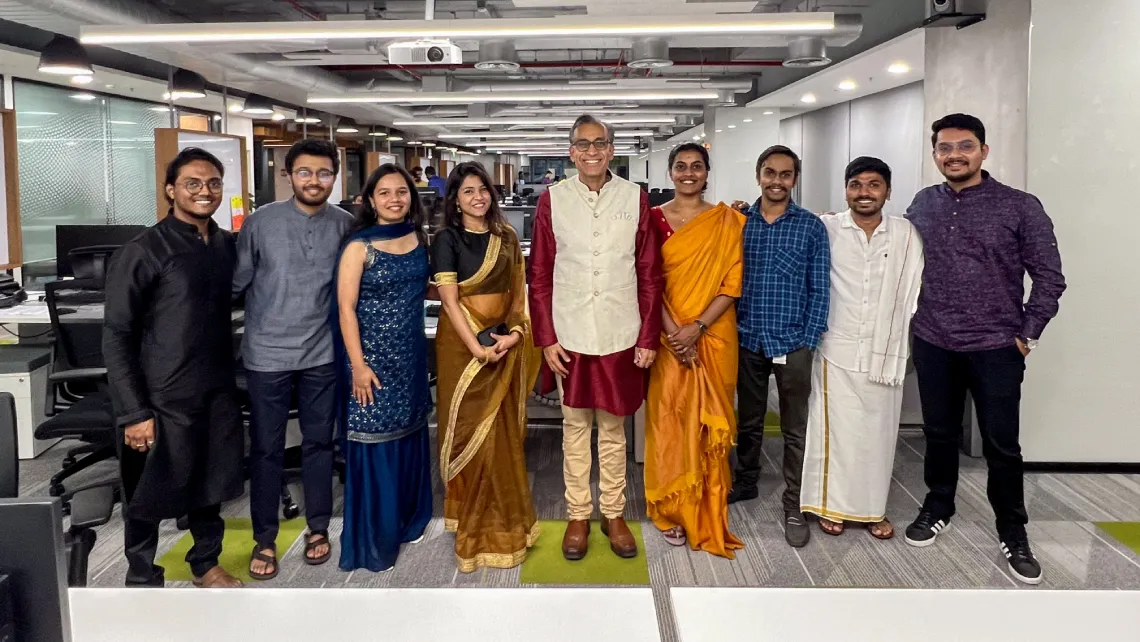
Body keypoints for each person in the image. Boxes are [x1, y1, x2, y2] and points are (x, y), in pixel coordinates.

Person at [904, 114, 1065, 585]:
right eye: (945, 148)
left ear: (983, 152)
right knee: (938, 432)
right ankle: (938, 505)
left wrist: (1027, 334)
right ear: (935, 153)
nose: (954, 155)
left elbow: (1050, 277)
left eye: (965, 146)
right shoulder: (923, 203)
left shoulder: (1019, 207)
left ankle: (1012, 529)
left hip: (997, 345)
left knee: (1001, 444)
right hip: (934, 339)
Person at [103, 148, 243, 588]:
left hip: (216, 385)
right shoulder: (144, 250)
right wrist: (134, 411)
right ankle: (142, 574)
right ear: (170, 190)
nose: (205, 191)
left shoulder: (222, 244)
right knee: (146, 491)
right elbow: (117, 334)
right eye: (193, 184)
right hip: (160, 394)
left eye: (214, 183)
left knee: (210, 481)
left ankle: (205, 561)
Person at [529, 114, 663, 561]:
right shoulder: (552, 200)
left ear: (612, 149)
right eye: (583, 144)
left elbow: (648, 272)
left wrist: (647, 337)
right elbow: (540, 273)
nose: (591, 151)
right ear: (571, 151)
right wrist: (546, 337)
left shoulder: (635, 197)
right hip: (569, 332)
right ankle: (577, 514)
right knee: (573, 427)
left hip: (620, 329)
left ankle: (614, 511)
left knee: (613, 427)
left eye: (600, 143)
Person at [233, 139, 353, 580]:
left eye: (324, 173)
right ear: (289, 174)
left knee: (321, 443)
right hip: (267, 355)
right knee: (266, 448)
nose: (315, 181)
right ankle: (264, 538)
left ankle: (317, 528)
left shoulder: (345, 224)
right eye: (305, 172)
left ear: (334, 177)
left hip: (321, 352)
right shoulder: (260, 223)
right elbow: (238, 282)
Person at [800, 157, 924, 540]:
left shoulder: (906, 234)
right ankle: (829, 506)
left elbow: (914, 289)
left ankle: (872, 510)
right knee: (834, 433)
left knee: (879, 434)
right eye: (856, 185)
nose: (864, 193)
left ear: (887, 190)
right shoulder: (826, 228)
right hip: (836, 345)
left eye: (873, 185)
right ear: (846, 190)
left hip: (885, 350)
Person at [433, 161, 542, 572]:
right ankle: (473, 529)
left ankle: (508, 526)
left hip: (503, 344)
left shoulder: (507, 237)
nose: (477, 197)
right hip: (465, 353)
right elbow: (449, 301)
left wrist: (514, 335)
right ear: (456, 201)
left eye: (482, 189)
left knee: (502, 442)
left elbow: (519, 297)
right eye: (467, 192)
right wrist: (477, 349)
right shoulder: (447, 238)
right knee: (471, 441)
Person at [645, 143, 745, 558]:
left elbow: (731, 282)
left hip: (714, 332)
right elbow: (649, 281)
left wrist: (697, 327)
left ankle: (707, 504)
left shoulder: (727, 221)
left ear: (707, 172)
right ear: (670, 173)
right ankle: (671, 508)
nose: (689, 173)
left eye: (697, 167)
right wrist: (674, 333)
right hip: (668, 336)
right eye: (681, 167)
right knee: (669, 419)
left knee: (711, 423)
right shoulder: (650, 220)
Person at [729, 145, 830, 549]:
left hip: (793, 341)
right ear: (758, 175)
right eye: (770, 173)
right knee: (749, 421)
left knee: (794, 428)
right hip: (748, 337)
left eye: (785, 175)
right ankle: (747, 482)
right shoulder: (738, 223)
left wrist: (810, 337)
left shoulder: (810, 227)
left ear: (794, 179)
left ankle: (795, 502)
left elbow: (820, 286)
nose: (776, 181)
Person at [335, 164, 433, 572]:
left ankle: (407, 520)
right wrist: (358, 365)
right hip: (371, 361)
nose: (395, 199)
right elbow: (345, 308)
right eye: (385, 193)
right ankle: (376, 536)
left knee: (409, 434)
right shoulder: (360, 245)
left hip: (410, 357)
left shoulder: (418, 237)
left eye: (402, 192)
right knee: (374, 441)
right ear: (370, 201)